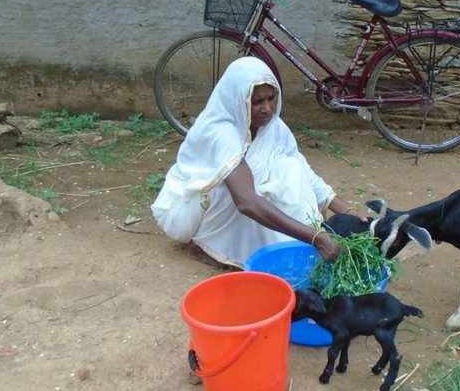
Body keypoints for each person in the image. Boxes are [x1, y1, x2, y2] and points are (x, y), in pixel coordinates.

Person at [151, 57, 366, 269]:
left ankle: (285, 245)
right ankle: (209, 245)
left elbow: (303, 171)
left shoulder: (273, 127)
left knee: (289, 168)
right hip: (195, 210)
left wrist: (347, 210)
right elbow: (246, 202)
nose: (267, 109)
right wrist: (316, 238)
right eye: (257, 102)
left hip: (247, 200)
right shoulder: (221, 133)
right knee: (240, 186)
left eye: (271, 98)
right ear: (238, 99)